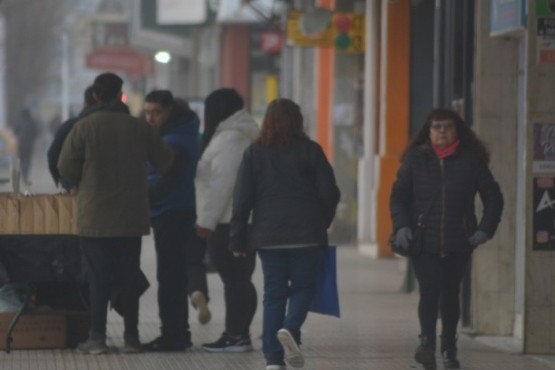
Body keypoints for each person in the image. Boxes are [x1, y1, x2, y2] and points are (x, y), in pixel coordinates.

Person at [57, 72, 174, 355]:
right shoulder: (138, 128)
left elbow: (65, 169)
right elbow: (166, 161)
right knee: (127, 276)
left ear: (96, 95)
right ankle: (132, 338)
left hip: (94, 217)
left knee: (98, 279)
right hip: (131, 217)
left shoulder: (85, 127)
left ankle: (97, 338)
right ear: (121, 94)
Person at [229, 98, 340, 370]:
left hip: (269, 236)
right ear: (298, 121)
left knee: (274, 294)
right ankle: (290, 328)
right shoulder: (311, 151)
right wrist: (321, 221)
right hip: (307, 234)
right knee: (304, 287)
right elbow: (330, 193)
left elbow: (242, 199)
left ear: (268, 122)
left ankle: (273, 359)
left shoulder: (254, 153)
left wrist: (238, 238)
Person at [389, 108, 504, 370]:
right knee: (429, 291)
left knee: (450, 295)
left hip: (459, 241)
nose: (442, 132)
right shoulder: (415, 160)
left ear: (457, 130)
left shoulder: (471, 161)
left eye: (448, 127)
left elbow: (493, 197)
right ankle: (427, 345)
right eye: (437, 127)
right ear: (428, 131)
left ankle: (449, 349)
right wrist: (402, 227)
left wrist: (485, 228)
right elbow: (399, 197)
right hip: (423, 241)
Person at [142, 90, 211, 352]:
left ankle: (173, 335)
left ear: (169, 111)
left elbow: (165, 184)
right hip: (176, 212)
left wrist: (136, 192)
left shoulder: (173, 142)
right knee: (175, 277)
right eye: (147, 112)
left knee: (169, 279)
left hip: (171, 214)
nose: (150, 118)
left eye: (156, 112)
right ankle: (176, 332)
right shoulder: (182, 135)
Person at [195, 88, 259, 353]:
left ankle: (236, 336)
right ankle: (238, 334)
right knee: (240, 279)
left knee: (235, 281)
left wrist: (205, 222)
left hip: (227, 221)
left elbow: (223, 185)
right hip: (240, 220)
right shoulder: (240, 134)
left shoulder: (231, 139)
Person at [47, 85, 95, 189]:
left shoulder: (69, 126)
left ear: (85, 103)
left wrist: (61, 181)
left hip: (74, 188)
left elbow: (52, 155)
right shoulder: (114, 127)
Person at [13, 108, 38, 185]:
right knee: (27, 160)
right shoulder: (32, 121)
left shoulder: (19, 121)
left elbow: (15, 132)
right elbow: (35, 132)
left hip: (21, 144)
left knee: (21, 159)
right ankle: (25, 174)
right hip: (29, 144)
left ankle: (23, 173)